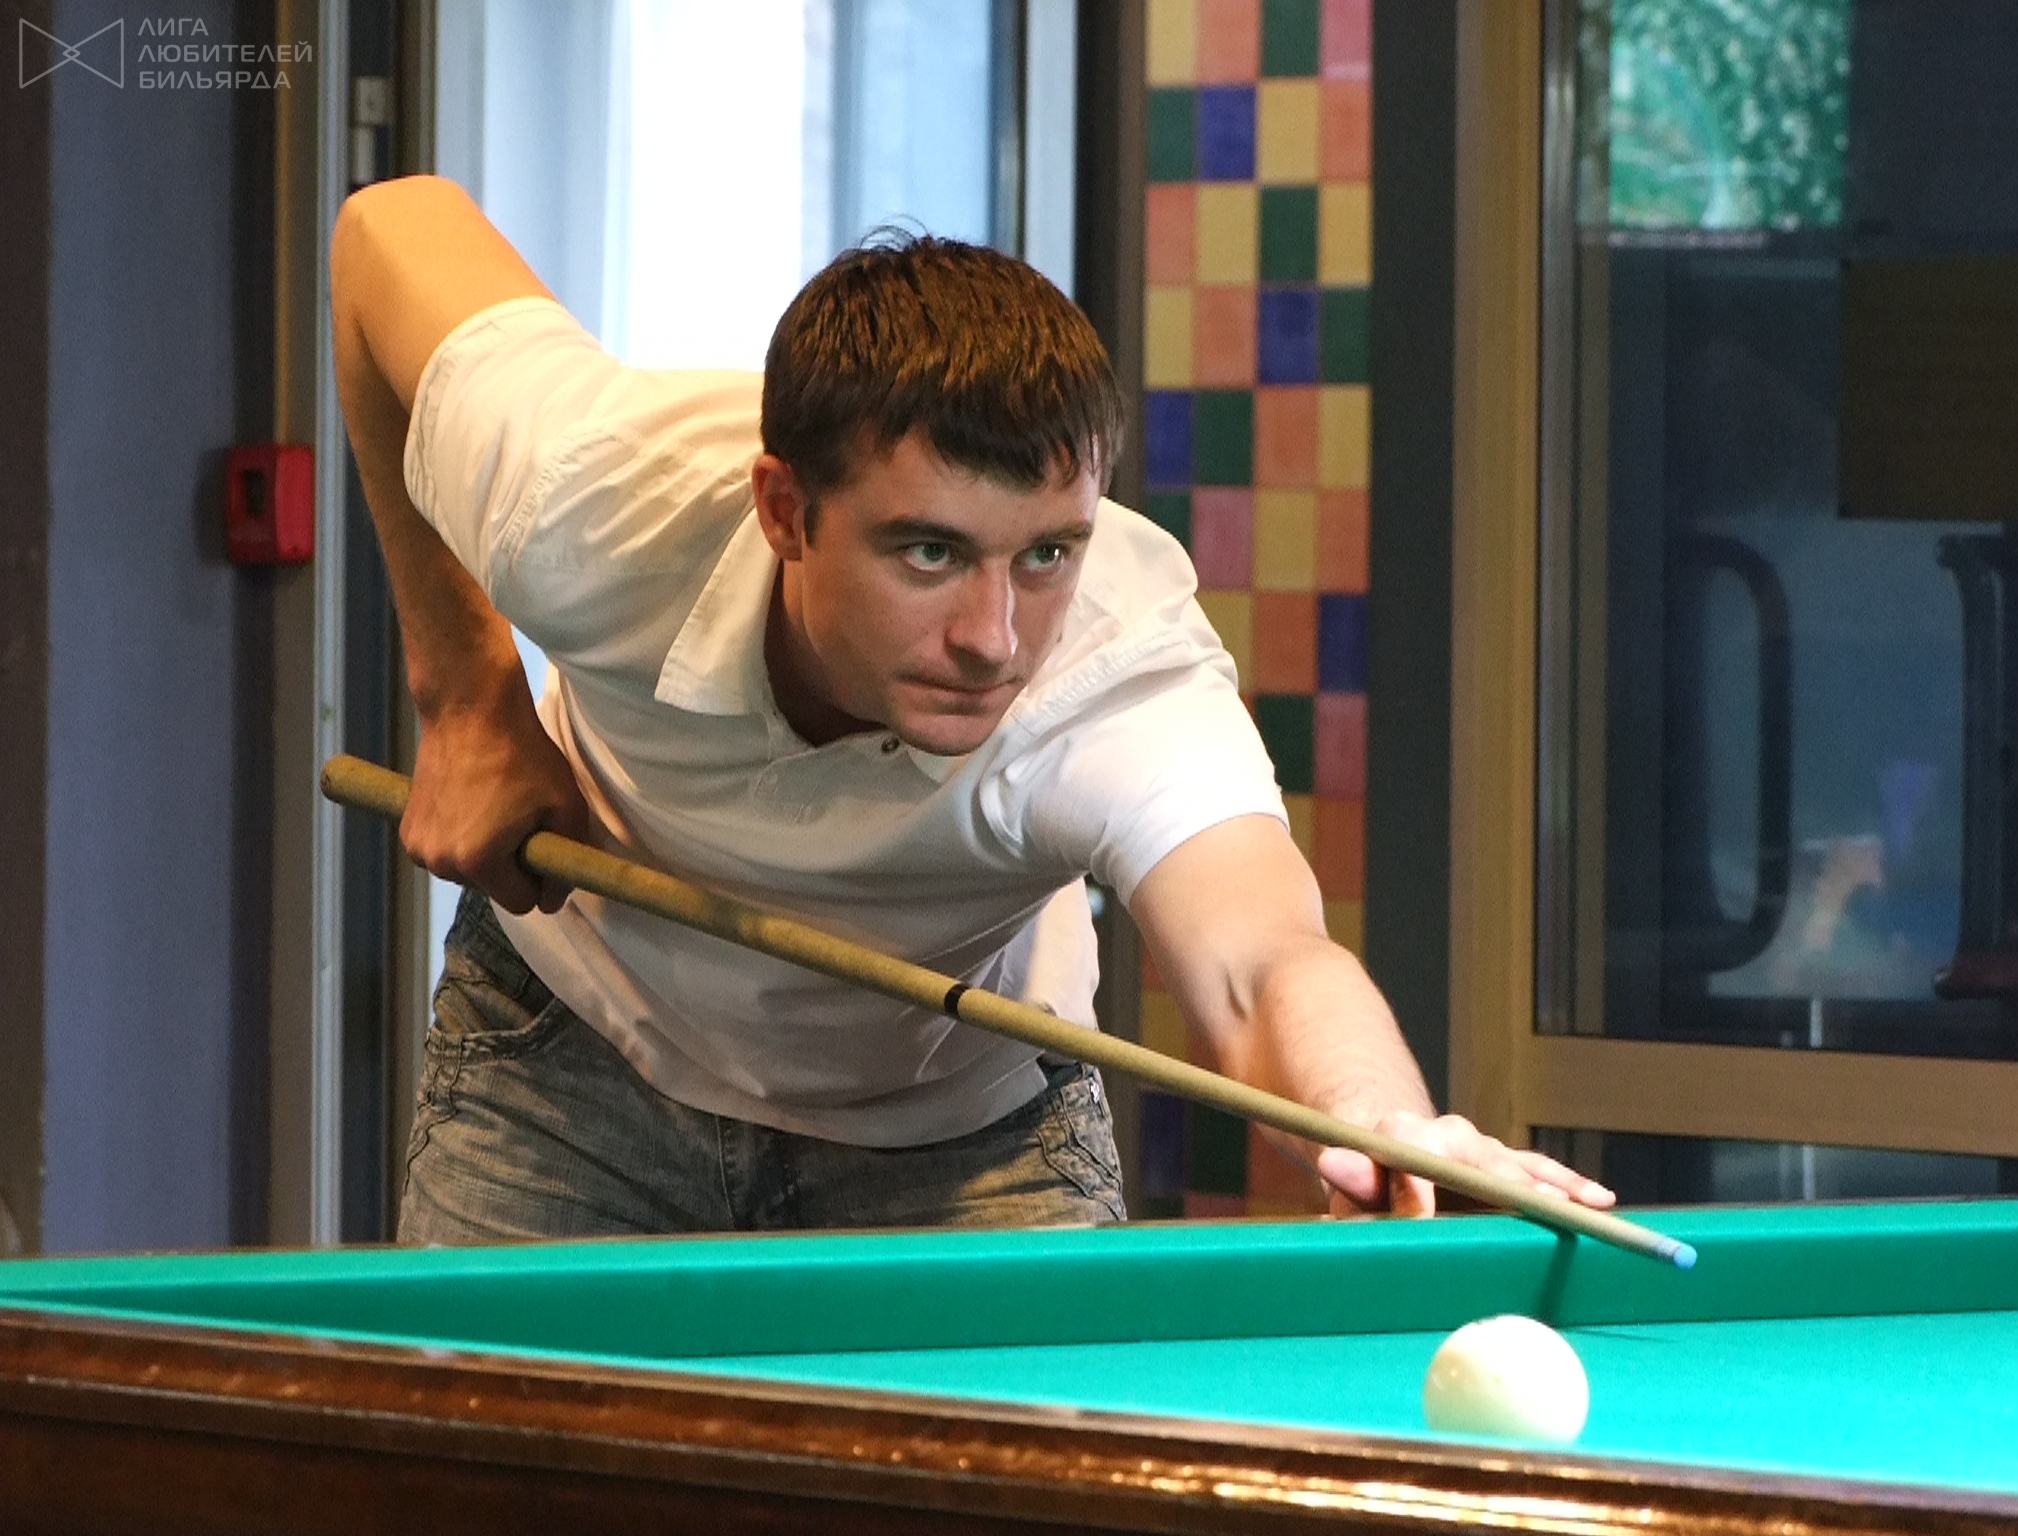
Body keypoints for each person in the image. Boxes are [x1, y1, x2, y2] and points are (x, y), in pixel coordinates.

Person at [329, 175, 1612, 1242]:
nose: (994, 639)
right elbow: (386, 228)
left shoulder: (1116, 677)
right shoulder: (593, 501)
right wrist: (468, 696)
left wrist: (1379, 1119)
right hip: (575, 1056)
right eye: (929, 554)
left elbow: (1261, 959)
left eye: (1045, 553)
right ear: (785, 512)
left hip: (962, 1132)